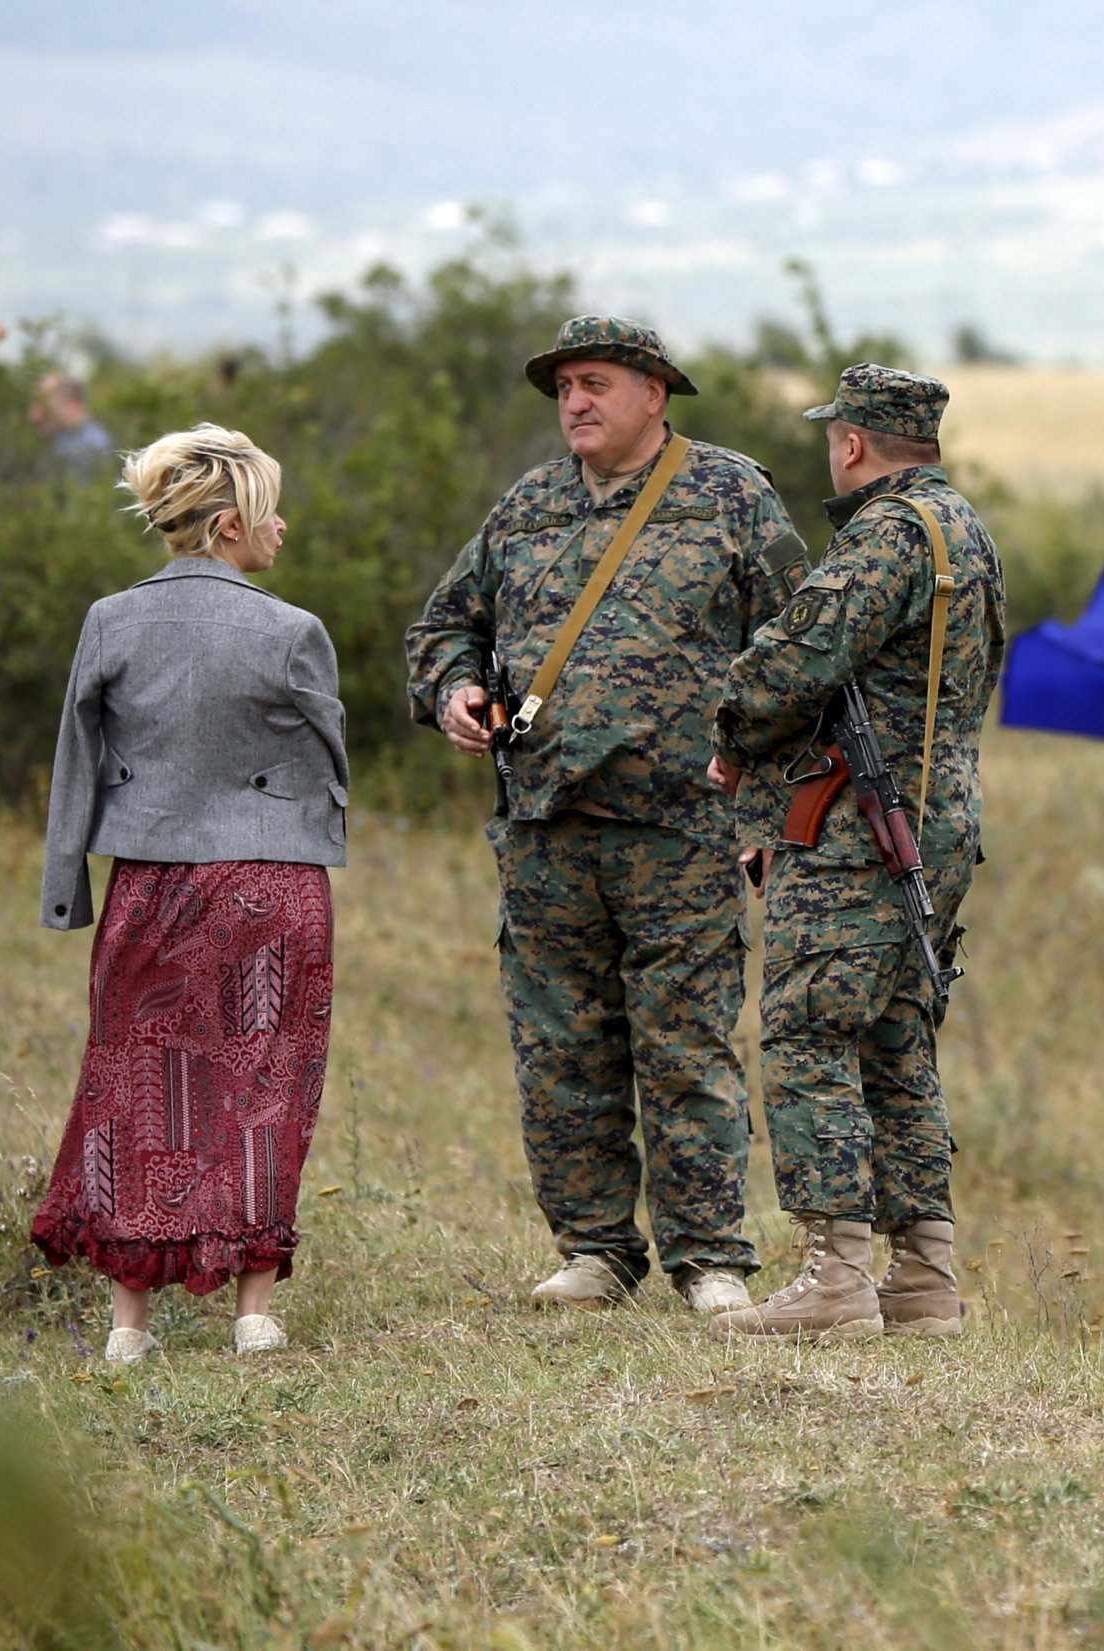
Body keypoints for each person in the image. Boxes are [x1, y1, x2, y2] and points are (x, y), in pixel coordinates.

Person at [404, 316, 809, 1313]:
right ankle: (594, 1249)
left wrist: (768, 811)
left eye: (593, 383)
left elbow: (794, 657)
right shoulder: (531, 505)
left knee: (686, 1048)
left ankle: (710, 1258)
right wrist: (453, 690)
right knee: (562, 1049)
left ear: (652, 393)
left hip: (682, 829)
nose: (574, 403)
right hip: (546, 825)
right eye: (563, 388)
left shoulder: (727, 496)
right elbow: (443, 625)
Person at [33, 424, 347, 1362]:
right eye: (265, 512)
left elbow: (73, 765)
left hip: (150, 884)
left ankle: (130, 1325)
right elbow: (329, 767)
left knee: (137, 1082)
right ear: (224, 525)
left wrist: (66, 890)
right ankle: (253, 1313)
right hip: (272, 884)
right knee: (266, 1083)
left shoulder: (109, 621)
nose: (280, 528)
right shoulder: (294, 632)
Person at [706, 364, 1007, 1339]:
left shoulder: (886, 536)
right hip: (942, 813)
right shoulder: (966, 532)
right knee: (894, 1037)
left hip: (861, 822)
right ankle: (923, 1276)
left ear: (851, 442)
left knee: (807, 1024)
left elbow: (789, 663)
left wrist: (731, 726)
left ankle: (834, 1275)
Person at [31, 373, 116, 473]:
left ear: (72, 402)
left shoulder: (96, 443)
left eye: (54, 403)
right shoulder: (62, 438)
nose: (35, 415)